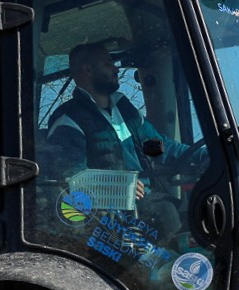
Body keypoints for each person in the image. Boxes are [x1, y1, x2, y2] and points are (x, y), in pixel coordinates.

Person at [43, 42, 205, 206]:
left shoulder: (126, 112)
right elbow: (68, 177)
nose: (116, 69)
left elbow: (157, 149)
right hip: (110, 212)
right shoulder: (68, 119)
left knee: (194, 206)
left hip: (147, 202)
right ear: (88, 70)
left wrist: (205, 155)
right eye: (108, 64)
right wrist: (117, 186)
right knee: (168, 213)